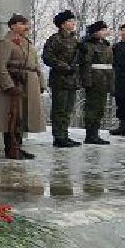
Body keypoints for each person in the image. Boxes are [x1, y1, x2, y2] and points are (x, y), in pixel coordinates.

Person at [0, 14, 44, 160]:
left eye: (26, 24)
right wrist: (8, 85)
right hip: (13, 85)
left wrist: (41, 83)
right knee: (11, 117)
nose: (25, 26)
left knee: (22, 117)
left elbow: (36, 66)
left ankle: (18, 147)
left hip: (28, 84)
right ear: (12, 26)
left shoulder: (27, 43)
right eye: (21, 23)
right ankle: (11, 148)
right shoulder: (6, 43)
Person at [41, 11, 82, 148]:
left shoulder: (75, 40)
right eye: (70, 21)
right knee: (59, 109)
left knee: (68, 109)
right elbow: (47, 57)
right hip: (60, 79)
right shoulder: (55, 39)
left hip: (73, 79)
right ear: (63, 24)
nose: (73, 23)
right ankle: (58, 137)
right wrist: (63, 66)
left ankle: (64, 135)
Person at [79, 21, 114, 145]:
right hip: (94, 80)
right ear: (95, 32)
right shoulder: (88, 45)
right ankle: (90, 135)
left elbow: (110, 66)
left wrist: (111, 83)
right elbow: (86, 64)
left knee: (100, 109)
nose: (105, 32)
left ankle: (95, 134)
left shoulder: (107, 46)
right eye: (102, 29)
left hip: (104, 81)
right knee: (92, 109)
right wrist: (87, 81)